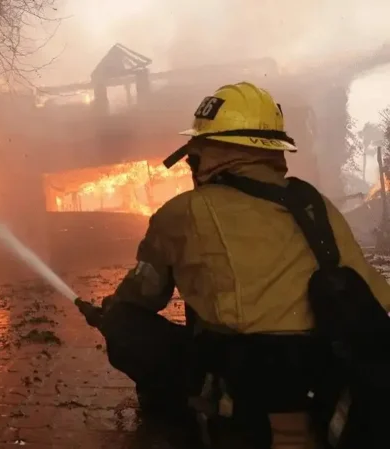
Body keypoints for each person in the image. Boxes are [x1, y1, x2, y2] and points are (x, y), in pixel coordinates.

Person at [76, 81, 390, 448]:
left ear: (209, 151)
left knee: (124, 322)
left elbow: (143, 295)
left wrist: (110, 312)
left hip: (251, 394)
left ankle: (193, 412)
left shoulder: (186, 212)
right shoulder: (315, 203)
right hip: (334, 384)